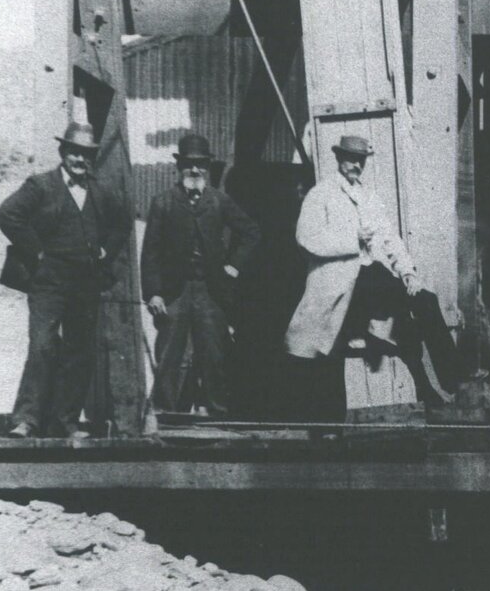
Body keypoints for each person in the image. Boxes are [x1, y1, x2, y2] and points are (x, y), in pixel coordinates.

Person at [287, 135, 465, 406]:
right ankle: (422, 390)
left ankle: (453, 379)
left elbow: (390, 238)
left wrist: (407, 272)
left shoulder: (368, 197)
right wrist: (352, 239)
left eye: (360, 160)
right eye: (350, 158)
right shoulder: (320, 194)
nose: (356, 165)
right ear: (338, 158)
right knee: (330, 353)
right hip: (338, 283)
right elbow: (306, 239)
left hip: (370, 279)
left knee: (423, 300)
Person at [0, 121, 133, 438]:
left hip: (85, 281)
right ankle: (26, 419)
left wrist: (105, 253)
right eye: (75, 153)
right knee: (43, 346)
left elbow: (122, 224)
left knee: (79, 351)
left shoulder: (101, 191)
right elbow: (8, 214)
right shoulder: (41, 185)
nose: (80, 160)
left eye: (86, 155)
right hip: (48, 281)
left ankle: (65, 421)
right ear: (63, 153)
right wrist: (37, 252)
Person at [141, 134, 261, 417]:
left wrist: (232, 267)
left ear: (208, 168)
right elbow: (151, 253)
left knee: (213, 352)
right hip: (175, 291)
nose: (195, 171)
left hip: (211, 291)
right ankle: (166, 414)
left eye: (201, 165)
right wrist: (154, 292)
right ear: (179, 166)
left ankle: (217, 413)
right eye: (189, 165)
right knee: (170, 353)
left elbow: (251, 232)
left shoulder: (219, 201)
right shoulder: (164, 202)